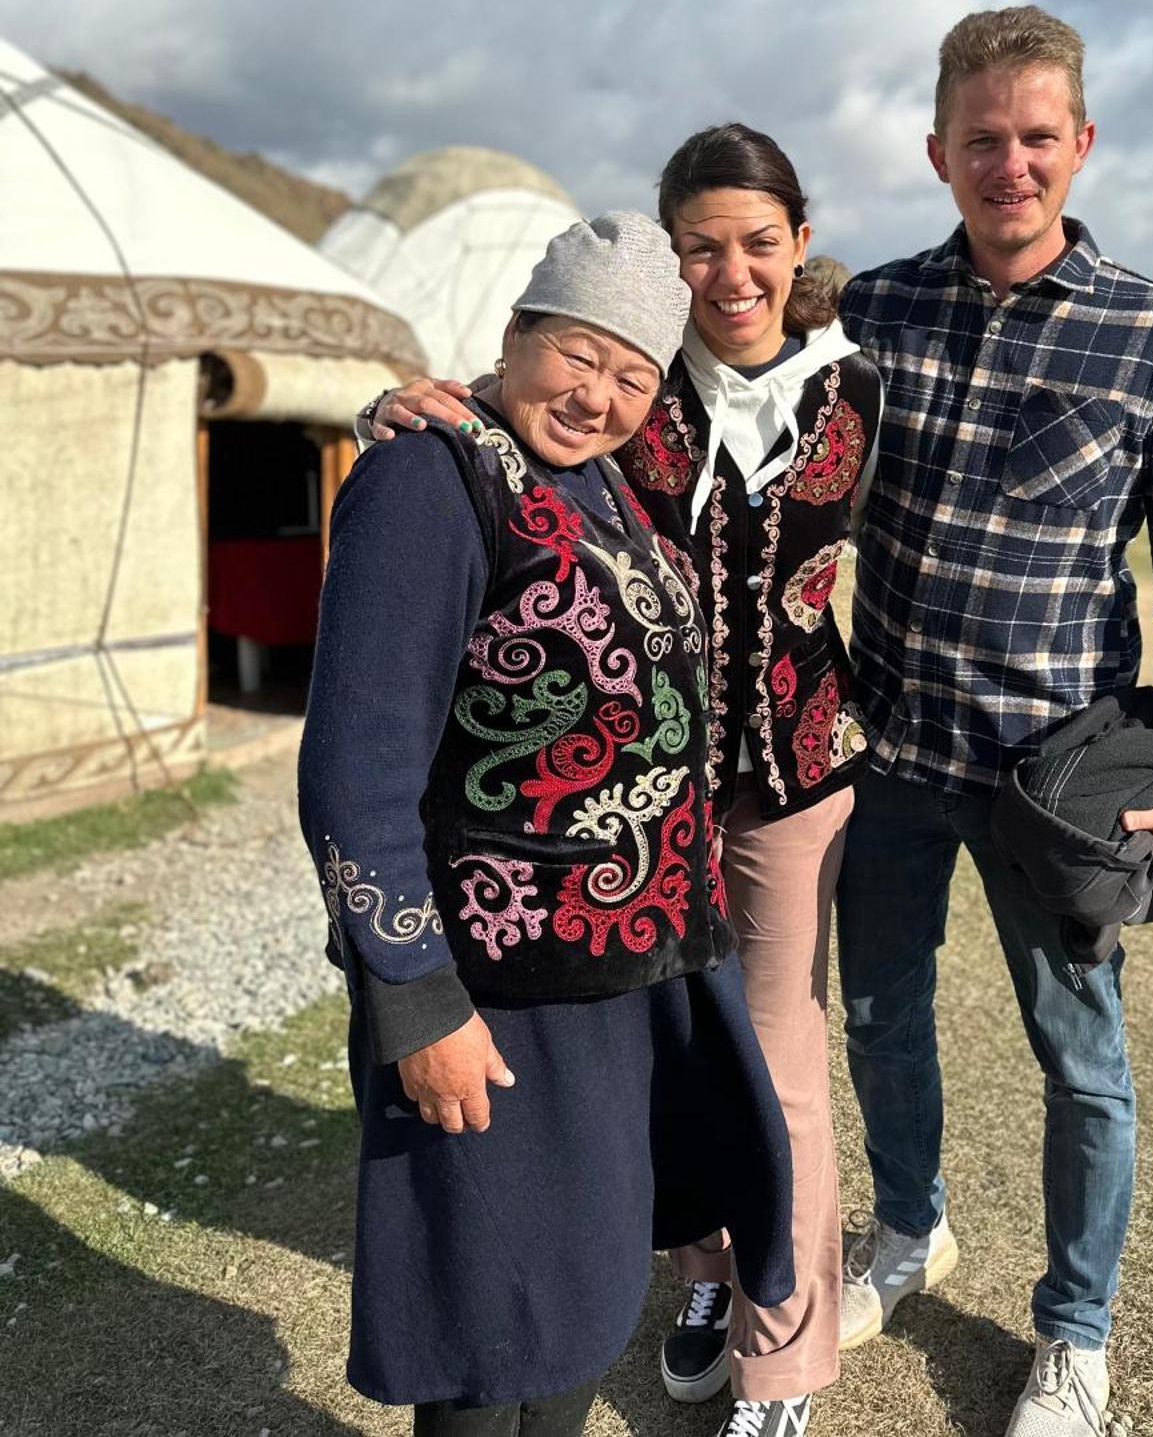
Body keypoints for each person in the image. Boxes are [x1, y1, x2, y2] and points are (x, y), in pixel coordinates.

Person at [369, 127, 881, 1437]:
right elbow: (376, 727)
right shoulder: (595, 427)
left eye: (757, 242)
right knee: (577, 1189)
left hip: (765, 805)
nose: (731, 269)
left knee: (766, 1086)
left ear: (798, 244)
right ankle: (699, 1281)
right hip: (579, 880)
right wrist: (417, 406)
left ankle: (779, 1362)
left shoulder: (855, 388)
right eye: (702, 245)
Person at [833, 7, 1153, 1437]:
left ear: (1079, 145)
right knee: (886, 1020)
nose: (1007, 164)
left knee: (1080, 1063)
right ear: (938, 152)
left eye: (1034, 138)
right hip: (887, 753)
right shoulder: (873, 312)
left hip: (1053, 782)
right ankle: (910, 1231)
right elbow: (688, 376)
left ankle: (1075, 1333)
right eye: (980, 140)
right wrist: (465, 404)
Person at [300, 211, 794, 1437]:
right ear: (515, 333)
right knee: (483, 1326)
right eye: (577, 352)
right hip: (489, 992)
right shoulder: (430, 477)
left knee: (576, 1302)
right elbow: (355, 770)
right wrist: (414, 996)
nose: (599, 393)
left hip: (619, 988)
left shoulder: (600, 485)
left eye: (633, 374)